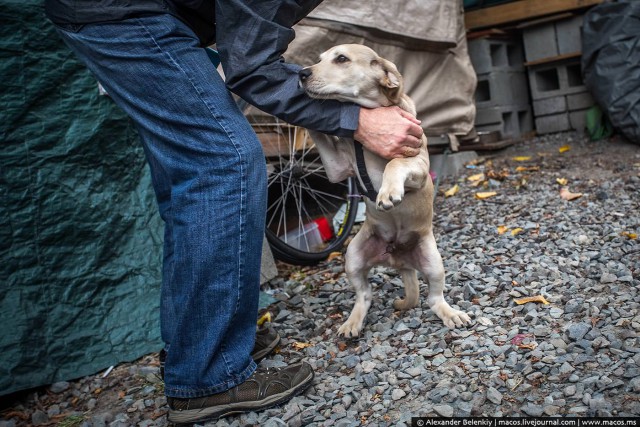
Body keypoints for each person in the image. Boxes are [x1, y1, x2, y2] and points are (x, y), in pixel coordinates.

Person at [44, 0, 424, 423]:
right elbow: (252, 67)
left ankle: (201, 342)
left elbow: (247, 35)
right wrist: (355, 119)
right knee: (224, 162)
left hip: (138, 16)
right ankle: (209, 376)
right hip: (123, 16)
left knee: (189, 178)